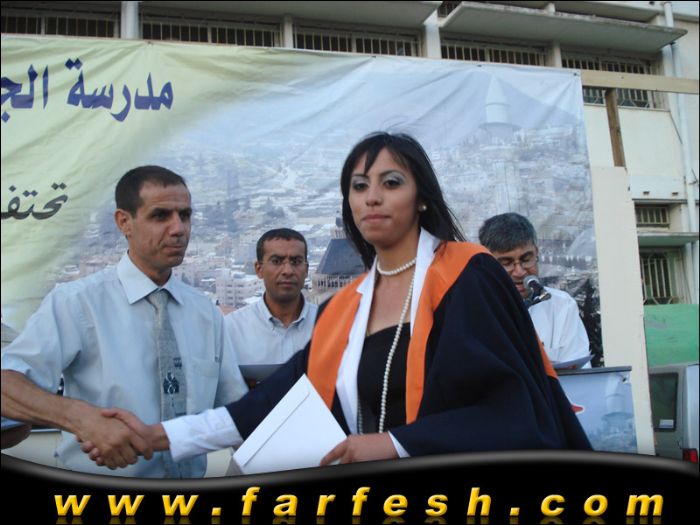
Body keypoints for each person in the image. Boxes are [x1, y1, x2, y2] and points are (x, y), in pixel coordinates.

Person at [85, 133, 591, 469]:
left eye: (391, 183)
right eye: (359, 185)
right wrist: (160, 436)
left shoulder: (468, 274)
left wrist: (392, 444)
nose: (372, 197)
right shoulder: (346, 306)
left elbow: (514, 408)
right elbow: (272, 399)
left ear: (421, 197)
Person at [1, 165, 248, 477]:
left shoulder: (204, 312)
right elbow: (7, 385)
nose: (178, 228)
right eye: (161, 216)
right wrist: (81, 418)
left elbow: (235, 408)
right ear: (124, 222)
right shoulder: (77, 303)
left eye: (185, 215)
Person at [478, 213, 591, 368]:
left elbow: (580, 373)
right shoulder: (474, 310)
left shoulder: (562, 306)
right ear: (487, 263)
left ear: (537, 254)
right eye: (507, 263)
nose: (520, 272)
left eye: (526, 260)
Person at [226, 229, 317, 374]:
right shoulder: (231, 330)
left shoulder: (329, 324)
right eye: (276, 261)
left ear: (306, 269)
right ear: (259, 269)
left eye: (296, 262)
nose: (288, 271)